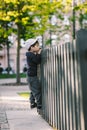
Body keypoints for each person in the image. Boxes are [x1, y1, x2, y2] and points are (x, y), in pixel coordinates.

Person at [25, 38, 42, 113]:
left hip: (30, 76)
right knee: (37, 90)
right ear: (31, 47)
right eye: (37, 46)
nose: (38, 47)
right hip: (32, 77)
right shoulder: (30, 54)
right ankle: (40, 105)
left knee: (33, 89)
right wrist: (39, 53)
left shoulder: (30, 54)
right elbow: (37, 61)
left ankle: (32, 103)